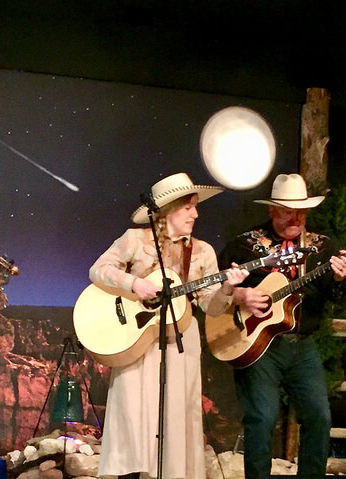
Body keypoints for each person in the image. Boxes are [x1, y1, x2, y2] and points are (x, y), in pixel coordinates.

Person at [89, 172, 249, 479]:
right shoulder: (134, 239)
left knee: (177, 413)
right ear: (169, 209)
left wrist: (228, 289)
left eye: (195, 207)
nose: (196, 213)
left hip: (180, 338)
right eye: (188, 206)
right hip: (135, 338)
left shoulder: (201, 251)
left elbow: (209, 305)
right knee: (133, 412)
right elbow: (99, 269)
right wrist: (135, 283)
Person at [218, 173, 346, 479]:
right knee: (262, 418)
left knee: (319, 417)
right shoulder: (245, 247)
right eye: (287, 210)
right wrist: (241, 296)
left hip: (302, 345)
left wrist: (340, 280)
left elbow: (336, 298)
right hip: (259, 345)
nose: (295, 217)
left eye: (300, 211)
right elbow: (215, 295)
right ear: (271, 210)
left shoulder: (323, 247)